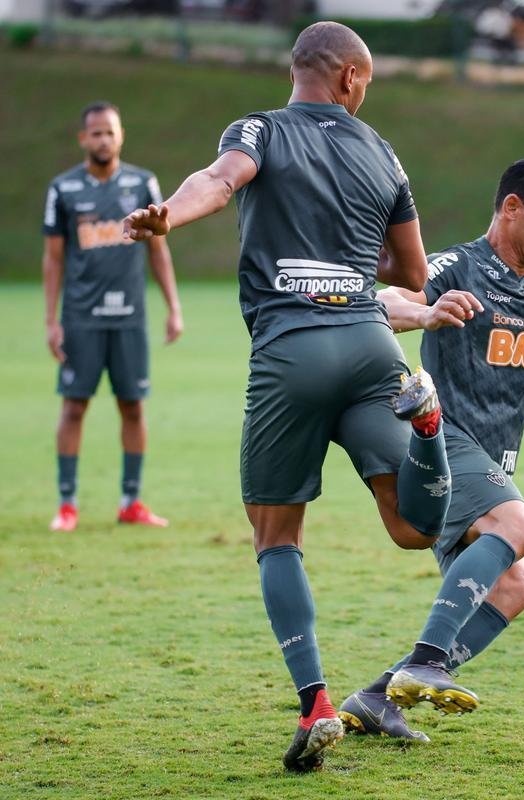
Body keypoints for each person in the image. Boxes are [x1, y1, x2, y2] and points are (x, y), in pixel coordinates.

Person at [123, 22, 453, 772]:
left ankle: (316, 705)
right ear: (349, 77)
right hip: (372, 345)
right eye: (366, 83)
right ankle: (429, 425)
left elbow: (218, 181)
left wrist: (166, 215)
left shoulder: (260, 130)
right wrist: (349, 266)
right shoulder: (384, 153)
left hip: (292, 352)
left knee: (276, 537)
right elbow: (412, 274)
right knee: (412, 527)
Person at [335, 158, 524, 742]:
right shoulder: (459, 267)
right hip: (440, 443)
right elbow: (382, 302)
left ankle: (377, 698)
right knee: (518, 526)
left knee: (515, 586)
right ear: (511, 209)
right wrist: (426, 312)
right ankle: (428, 662)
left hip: (492, 462)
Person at [43, 101, 183, 533]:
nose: (103, 139)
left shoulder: (143, 183)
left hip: (129, 318)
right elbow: (53, 259)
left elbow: (158, 251)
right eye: (96, 133)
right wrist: (51, 320)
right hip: (81, 319)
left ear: (121, 136)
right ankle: (67, 505)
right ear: (83, 139)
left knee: (133, 407)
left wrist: (173, 307)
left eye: (110, 132)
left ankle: (131, 502)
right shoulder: (63, 189)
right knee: (74, 406)